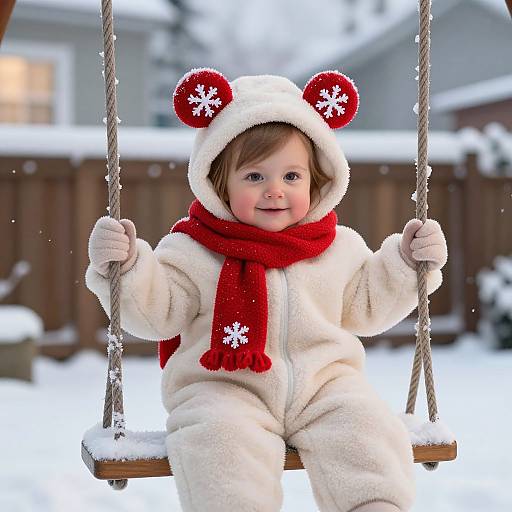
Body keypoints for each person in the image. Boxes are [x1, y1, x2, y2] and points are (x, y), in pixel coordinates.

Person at [86, 69, 448, 512]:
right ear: (219, 182)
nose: (275, 191)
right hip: (224, 389)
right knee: (219, 441)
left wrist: (407, 264)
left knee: (366, 427)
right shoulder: (193, 250)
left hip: (325, 384)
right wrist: (127, 268)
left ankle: (374, 504)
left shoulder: (336, 247)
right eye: (255, 177)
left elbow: (367, 304)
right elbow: (158, 311)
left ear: (317, 182)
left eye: (292, 176)